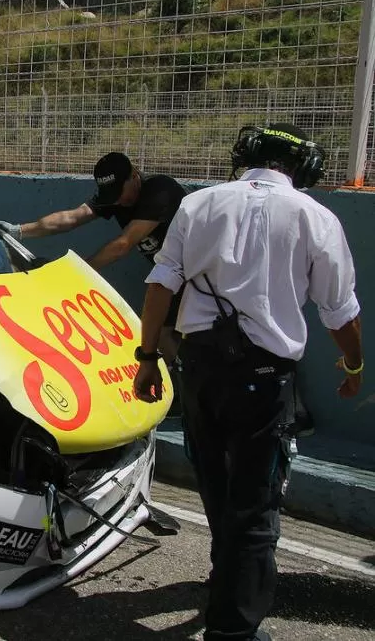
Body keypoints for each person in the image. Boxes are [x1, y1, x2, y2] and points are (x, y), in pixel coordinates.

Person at [132, 122, 363, 641]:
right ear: (301, 169)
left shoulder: (198, 205)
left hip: (200, 369)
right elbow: (340, 312)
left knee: (215, 482)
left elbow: (159, 287)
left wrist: (148, 358)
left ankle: (225, 577)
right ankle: (234, 631)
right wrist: (353, 365)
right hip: (263, 378)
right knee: (256, 504)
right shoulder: (315, 217)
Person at [0, 152, 187, 363]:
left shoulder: (159, 191)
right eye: (111, 195)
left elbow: (123, 245)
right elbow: (71, 218)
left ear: (134, 176)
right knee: (163, 337)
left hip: (202, 269)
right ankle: (181, 382)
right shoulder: (114, 197)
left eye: (120, 192)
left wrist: (75, 271)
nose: (118, 200)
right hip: (171, 275)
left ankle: (189, 383)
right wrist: (19, 230)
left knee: (179, 337)